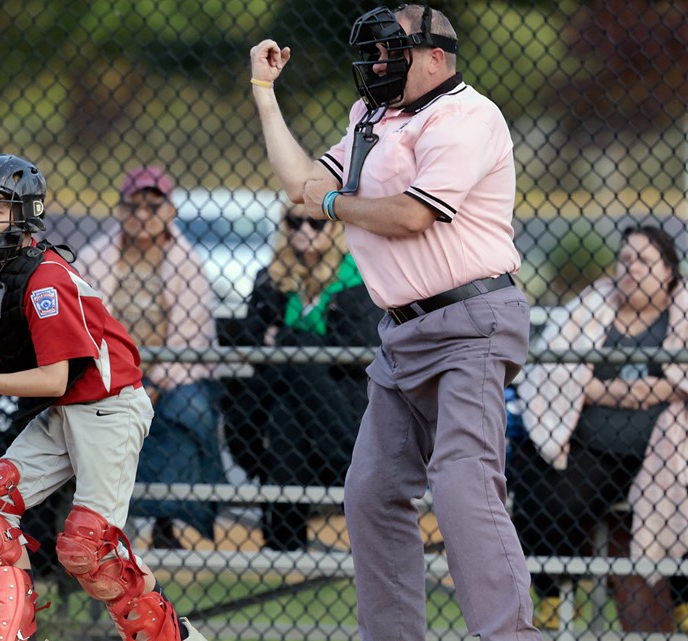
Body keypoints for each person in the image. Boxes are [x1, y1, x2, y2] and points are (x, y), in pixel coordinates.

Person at [250, 5, 543, 640]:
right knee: (372, 491)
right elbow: (302, 185)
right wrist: (265, 95)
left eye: (394, 53)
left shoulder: (467, 115)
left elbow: (413, 215)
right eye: (375, 54)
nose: (379, 65)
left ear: (437, 56)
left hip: (471, 321)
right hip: (402, 334)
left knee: (462, 482)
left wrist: (333, 204)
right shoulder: (371, 117)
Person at [0, 153, 207, 641]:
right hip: (65, 412)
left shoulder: (45, 280)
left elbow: (53, 379)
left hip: (109, 408)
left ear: (24, 215)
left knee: (88, 547)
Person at [513, 225, 688, 632]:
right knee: (551, 490)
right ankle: (550, 589)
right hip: (596, 449)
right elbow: (555, 372)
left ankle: (683, 597)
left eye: (643, 261)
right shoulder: (591, 306)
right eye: (625, 260)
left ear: (667, 272)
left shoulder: (681, 311)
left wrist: (606, 389)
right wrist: (648, 389)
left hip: (665, 445)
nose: (630, 269)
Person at [76, 165, 224, 549]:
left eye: (153, 206)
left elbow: (191, 335)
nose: (142, 215)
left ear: (170, 211)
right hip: (107, 373)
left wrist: (156, 382)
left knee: (189, 408)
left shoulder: (186, 262)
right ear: (120, 209)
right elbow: (82, 325)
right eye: (134, 205)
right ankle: (101, 522)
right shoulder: (96, 257)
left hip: (171, 376)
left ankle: (168, 518)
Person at [235, 204, 379, 551]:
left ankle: (284, 540)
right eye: (295, 221)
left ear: (334, 228)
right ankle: (344, 460)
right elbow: (249, 337)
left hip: (343, 402)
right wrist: (305, 346)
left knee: (291, 357)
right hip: (286, 402)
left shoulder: (358, 278)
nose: (305, 229)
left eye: (316, 222)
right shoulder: (271, 277)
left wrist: (287, 340)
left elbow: (359, 350)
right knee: (287, 407)